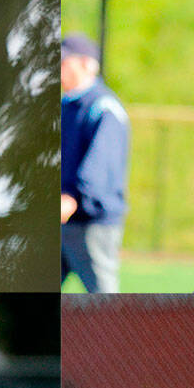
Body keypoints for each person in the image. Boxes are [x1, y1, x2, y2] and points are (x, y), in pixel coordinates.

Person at [61, 33, 131, 293]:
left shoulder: (103, 107)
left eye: (65, 63)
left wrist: (73, 197)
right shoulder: (66, 105)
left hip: (92, 223)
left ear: (87, 65)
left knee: (103, 296)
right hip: (63, 221)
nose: (59, 69)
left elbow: (99, 168)